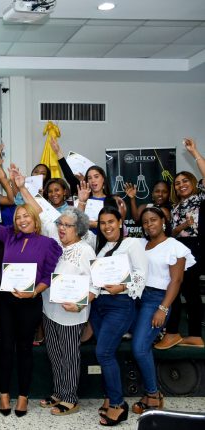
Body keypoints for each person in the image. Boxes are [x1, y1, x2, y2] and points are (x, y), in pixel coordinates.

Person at [0, 169, 62, 417]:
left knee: (25, 350)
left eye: (26, 216)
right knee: (5, 348)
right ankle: (3, 395)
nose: (22, 220)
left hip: (30, 303)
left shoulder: (48, 244)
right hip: (5, 301)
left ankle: (23, 397)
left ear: (35, 219)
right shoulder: (8, 235)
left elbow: (47, 276)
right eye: (18, 216)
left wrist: (34, 293)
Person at [35, 204, 97, 416]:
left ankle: (70, 398)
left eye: (67, 225)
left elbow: (95, 285)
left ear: (78, 229)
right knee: (54, 355)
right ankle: (59, 392)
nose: (62, 228)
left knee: (69, 357)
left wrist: (80, 304)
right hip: (49, 310)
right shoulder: (55, 246)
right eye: (60, 224)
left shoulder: (85, 250)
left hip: (71, 314)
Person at [132, 207, 194, 415]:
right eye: (145, 222)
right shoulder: (141, 245)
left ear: (163, 221)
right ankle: (149, 392)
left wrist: (163, 308)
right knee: (142, 347)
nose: (149, 224)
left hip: (156, 300)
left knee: (140, 347)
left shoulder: (174, 246)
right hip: (138, 297)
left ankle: (153, 394)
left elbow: (176, 281)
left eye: (153, 220)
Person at [91, 206, 148, 426]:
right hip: (99, 306)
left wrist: (122, 287)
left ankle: (118, 404)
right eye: (103, 223)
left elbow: (142, 274)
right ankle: (108, 396)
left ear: (120, 222)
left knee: (103, 352)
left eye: (111, 222)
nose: (107, 226)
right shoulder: (102, 248)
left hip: (120, 304)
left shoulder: (132, 244)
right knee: (107, 353)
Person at [157, 138, 205, 349]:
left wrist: (194, 153)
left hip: (196, 247)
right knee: (176, 290)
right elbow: (174, 232)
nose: (181, 184)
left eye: (185, 181)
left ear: (193, 183)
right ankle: (174, 333)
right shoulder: (175, 207)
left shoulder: (200, 198)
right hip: (178, 249)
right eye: (177, 183)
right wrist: (182, 225)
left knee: (190, 291)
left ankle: (193, 335)